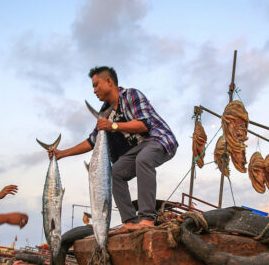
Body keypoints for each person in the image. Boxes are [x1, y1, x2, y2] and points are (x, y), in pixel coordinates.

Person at [49, 66, 178, 233]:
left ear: (109, 81)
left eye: (96, 85)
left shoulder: (131, 95)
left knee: (143, 159)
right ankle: (130, 221)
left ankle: (147, 218)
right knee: (115, 172)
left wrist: (113, 126)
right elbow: (92, 141)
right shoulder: (104, 113)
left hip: (159, 139)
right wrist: (62, 154)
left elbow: (144, 124)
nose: (94, 90)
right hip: (138, 149)